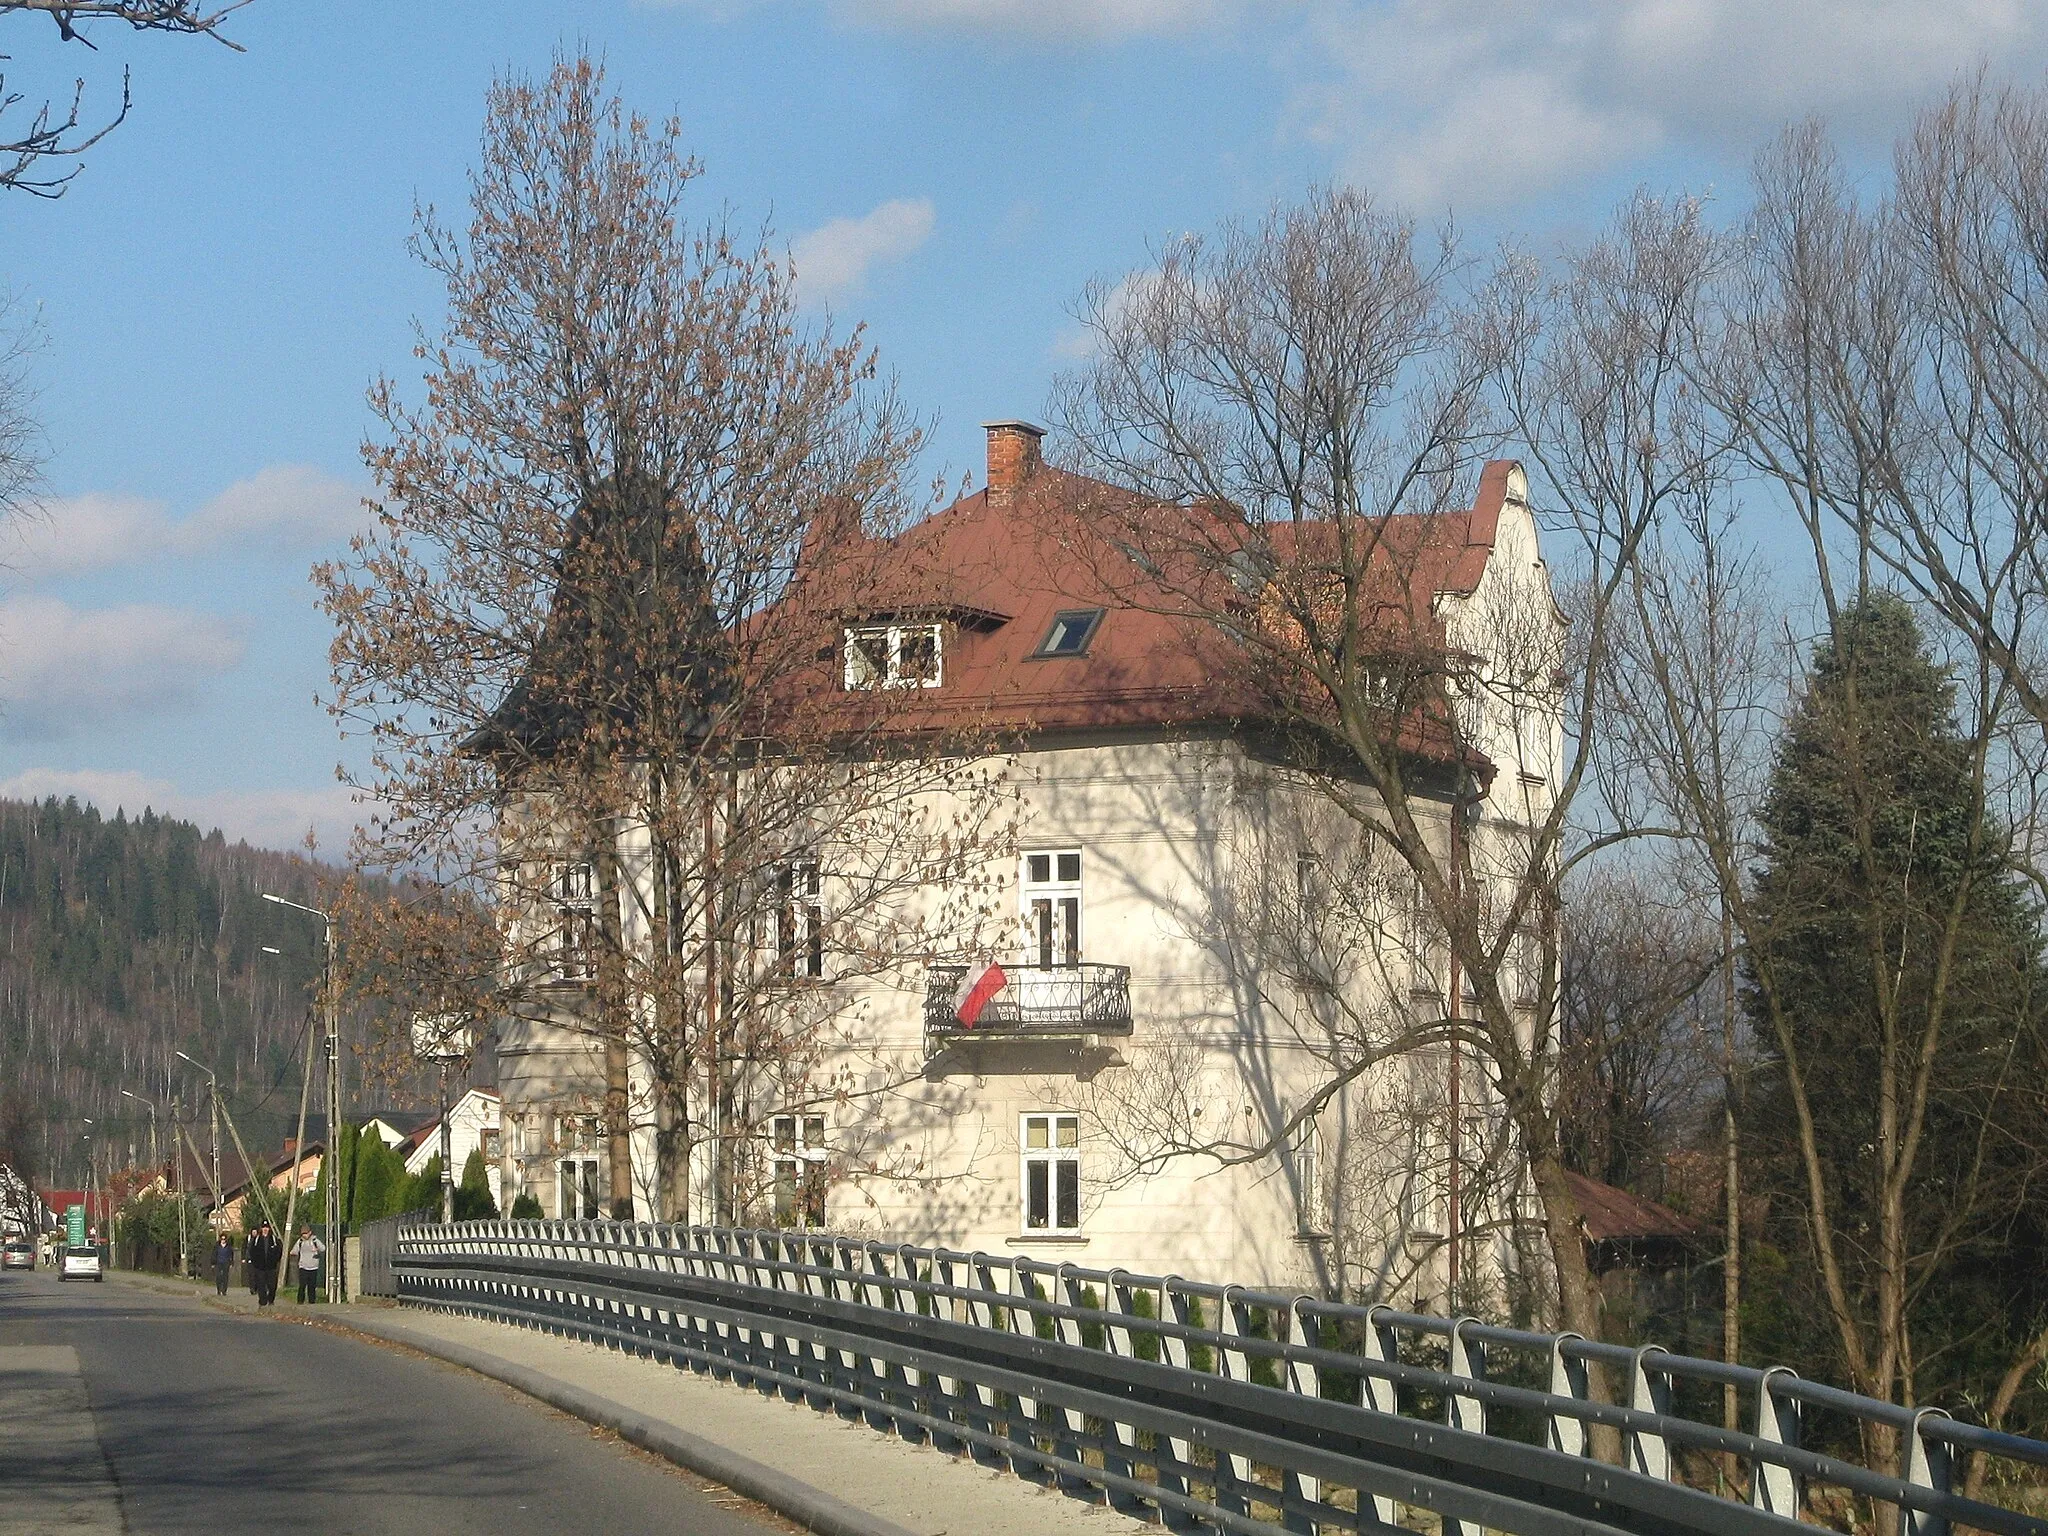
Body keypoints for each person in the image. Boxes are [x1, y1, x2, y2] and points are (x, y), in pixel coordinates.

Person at [246, 1222, 283, 1307]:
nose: (265, 1229)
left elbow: (279, 1251)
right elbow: (251, 1251)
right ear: (261, 1229)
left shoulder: (274, 1239)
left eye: (267, 1228)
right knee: (261, 1285)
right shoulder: (256, 1240)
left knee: (272, 1285)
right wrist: (255, 1263)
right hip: (260, 1268)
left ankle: (271, 1300)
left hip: (271, 1267)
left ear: (269, 1229)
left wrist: (275, 1261)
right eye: (263, 1228)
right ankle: (263, 1302)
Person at [291, 1225, 324, 1304]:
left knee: (311, 1286)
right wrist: (292, 1253)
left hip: (313, 1266)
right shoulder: (300, 1241)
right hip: (303, 1266)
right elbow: (294, 1251)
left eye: (306, 1233)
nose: (304, 1235)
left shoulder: (315, 1240)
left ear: (310, 1232)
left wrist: (317, 1249)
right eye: (303, 1234)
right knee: (302, 1286)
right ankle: (300, 1301)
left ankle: (312, 1302)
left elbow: (323, 1248)